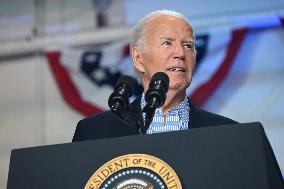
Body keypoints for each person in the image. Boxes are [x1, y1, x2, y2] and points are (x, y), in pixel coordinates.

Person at [72, 10, 237, 142]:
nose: (180, 53)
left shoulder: (229, 134)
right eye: (167, 43)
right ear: (138, 59)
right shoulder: (95, 132)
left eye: (188, 45)